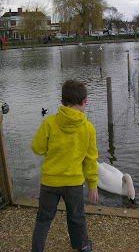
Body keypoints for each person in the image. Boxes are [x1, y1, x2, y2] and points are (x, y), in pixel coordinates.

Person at [31, 79, 98, 252]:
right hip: (74, 183)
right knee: (76, 217)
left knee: (43, 220)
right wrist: (92, 184)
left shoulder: (49, 123)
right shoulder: (88, 128)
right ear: (84, 102)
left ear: (62, 102)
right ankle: (82, 246)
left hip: (49, 183)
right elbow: (90, 160)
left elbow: (37, 149)